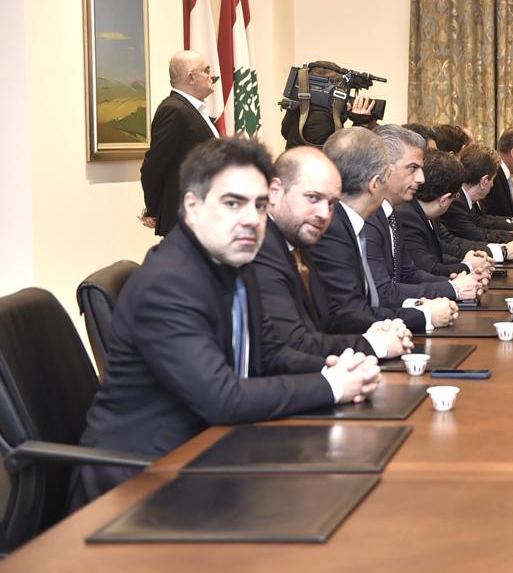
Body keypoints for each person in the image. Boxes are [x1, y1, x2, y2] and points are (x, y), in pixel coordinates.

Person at [70, 137, 381, 508]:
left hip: (210, 450)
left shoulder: (234, 262)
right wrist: (331, 386)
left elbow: (268, 354)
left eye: (260, 205)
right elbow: (221, 398)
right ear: (193, 206)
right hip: (142, 481)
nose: (251, 219)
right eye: (233, 203)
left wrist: (333, 368)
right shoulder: (167, 284)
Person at [253, 146, 415, 358]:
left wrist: (378, 327)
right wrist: (376, 344)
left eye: (331, 203)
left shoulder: (298, 240)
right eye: (313, 198)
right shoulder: (261, 247)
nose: (324, 213)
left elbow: (328, 315)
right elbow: (293, 343)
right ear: (275, 192)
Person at [308, 128, 456, 333]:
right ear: (376, 183)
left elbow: (385, 289)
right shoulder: (335, 229)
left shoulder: (364, 219)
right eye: (412, 168)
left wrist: (421, 305)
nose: (421, 179)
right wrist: (425, 315)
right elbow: (352, 313)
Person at [361, 126, 488, 305]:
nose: (421, 178)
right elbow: (383, 293)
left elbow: (408, 273)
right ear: (384, 168)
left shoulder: (391, 213)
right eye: (413, 168)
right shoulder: (368, 218)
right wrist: (453, 288)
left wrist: (461, 283)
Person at [138, 51, 220, 236]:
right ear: (190, 77)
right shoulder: (174, 110)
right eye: (206, 70)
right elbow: (154, 167)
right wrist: (154, 209)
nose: (212, 76)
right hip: (186, 218)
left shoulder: (194, 109)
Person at [398, 150, 497, 276]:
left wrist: (473, 260)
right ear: (444, 200)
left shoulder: (428, 215)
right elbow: (429, 269)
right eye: (455, 196)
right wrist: (468, 266)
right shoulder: (407, 217)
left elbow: (441, 252)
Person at [440, 144, 513, 258]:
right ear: (484, 181)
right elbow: (476, 234)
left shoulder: (467, 198)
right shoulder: (456, 201)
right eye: (493, 179)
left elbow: (481, 222)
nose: (493, 184)